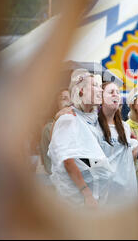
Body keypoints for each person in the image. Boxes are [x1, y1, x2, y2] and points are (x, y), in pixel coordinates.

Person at [48, 69, 112, 208]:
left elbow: (89, 160)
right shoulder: (69, 118)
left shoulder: (92, 119)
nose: (100, 90)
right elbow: (68, 161)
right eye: (95, 85)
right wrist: (87, 194)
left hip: (96, 196)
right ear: (81, 91)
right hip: (79, 201)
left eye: (100, 86)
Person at [97, 81, 138, 205]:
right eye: (111, 92)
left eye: (118, 92)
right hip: (106, 193)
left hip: (127, 191)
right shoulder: (95, 126)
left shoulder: (125, 127)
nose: (116, 95)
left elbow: (129, 158)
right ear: (100, 99)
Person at [36, 89, 71, 176]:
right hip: (52, 180)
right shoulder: (50, 127)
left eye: (71, 98)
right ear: (56, 105)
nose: (69, 102)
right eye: (64, 98)